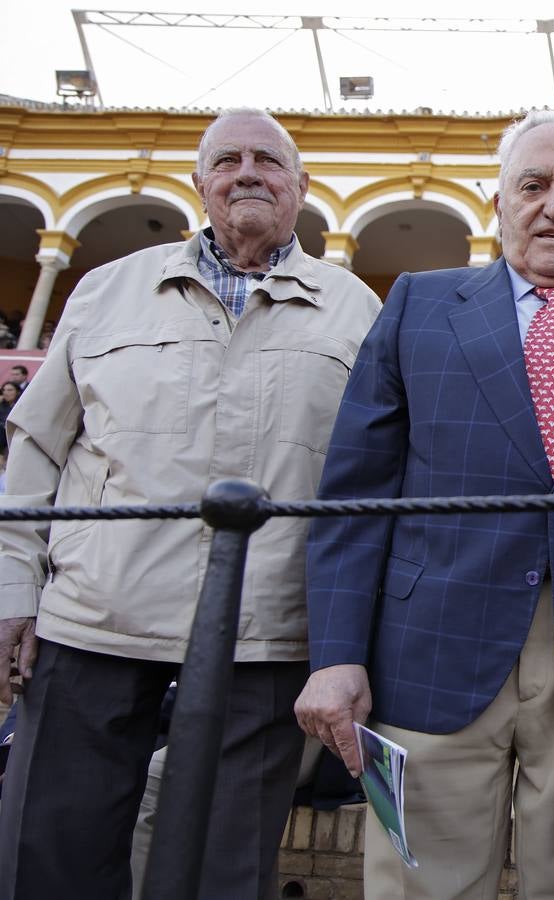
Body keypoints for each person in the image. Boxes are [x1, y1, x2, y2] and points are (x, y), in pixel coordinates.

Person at [295, 109, 554, 900]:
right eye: (533, 184)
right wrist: (335, 655)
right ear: (498, 204)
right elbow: (355, 497)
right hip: (424, 657)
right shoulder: (418, 305)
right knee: (421, 884)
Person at [0, 107, 381, 900]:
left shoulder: (357, 310)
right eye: (229, 159)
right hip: (92, 620)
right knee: (49, 854)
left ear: (302, 188)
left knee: (223, 870)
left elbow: (372, 484)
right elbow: (35, 450)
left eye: (269, 161)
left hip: (265, 632)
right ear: (198, 182)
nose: (249, 172)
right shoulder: (106, 291)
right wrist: (12, 593)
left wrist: (349, 640)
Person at [0, 382, 22, 455]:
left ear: (17, 392)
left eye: (10, 390)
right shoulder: (2, 406)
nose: (6, 393)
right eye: (4, 390)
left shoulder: (21, 406)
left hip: (14, 435)